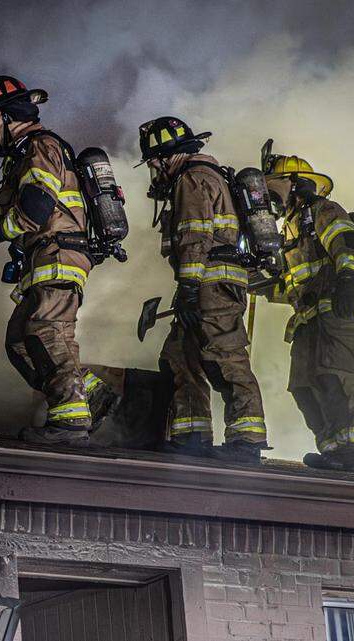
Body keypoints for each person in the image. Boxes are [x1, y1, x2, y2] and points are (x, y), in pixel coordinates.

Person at [0, 75, 114, 446]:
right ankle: (90, 393)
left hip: (58, 253)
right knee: (20, 341)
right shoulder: (21, 157)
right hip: (43, 255)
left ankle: (70, 423)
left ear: (8, 115)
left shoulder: (41, 146)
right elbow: (8, 216)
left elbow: (35, 210)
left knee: (45, 331)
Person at [137, 117, 267, 463]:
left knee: (225, 356)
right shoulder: (205, 176)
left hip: (212, 285)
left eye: (154, 161)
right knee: (180, 354)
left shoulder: (192, 179)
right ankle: (192, 436)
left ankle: (247, 440)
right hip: (204, 283)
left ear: (167, 156)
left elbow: (195, 236)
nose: (153, 169)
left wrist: (191, 287)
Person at [260, 151, 354, 472]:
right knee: (305, 388)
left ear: (294, 183)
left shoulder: (323, 210)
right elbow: (291, 282)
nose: (268, 194)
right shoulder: (289, 229)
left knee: (340, 381)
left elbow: (347, 243)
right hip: (307, 321)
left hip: (337, 313)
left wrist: (348, 280)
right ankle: (332, 450)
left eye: (274, 185)